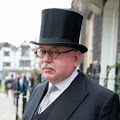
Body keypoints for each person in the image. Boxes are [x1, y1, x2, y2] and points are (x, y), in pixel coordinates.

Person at [23, 8, 120, 120]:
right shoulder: (37, 90)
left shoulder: (102, 101)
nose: (46, 59)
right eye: (43, 51)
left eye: (54, 52)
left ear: (76, 58)